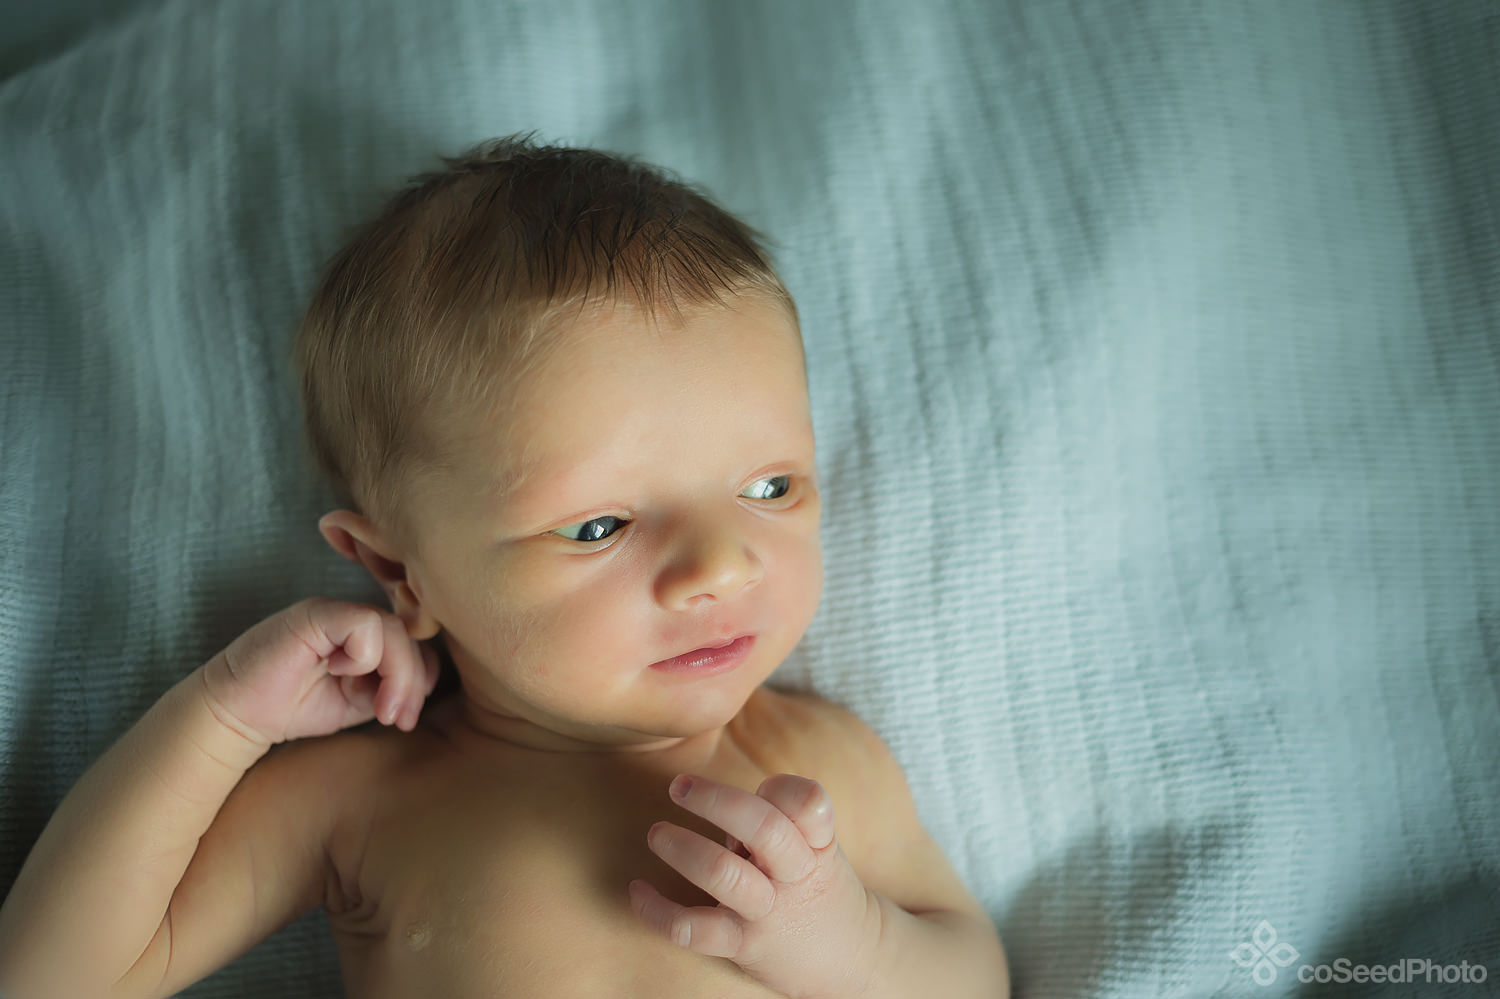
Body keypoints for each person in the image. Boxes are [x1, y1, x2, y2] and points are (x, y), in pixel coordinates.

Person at [0, 133, 1008, 998]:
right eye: (599, 526)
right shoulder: (363, 800)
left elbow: (974, 975)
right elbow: (51, 976)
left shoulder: (817, 769)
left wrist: (849, 947)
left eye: (770, 488)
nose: (720, 563)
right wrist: (221, 719)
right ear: (402, 575)